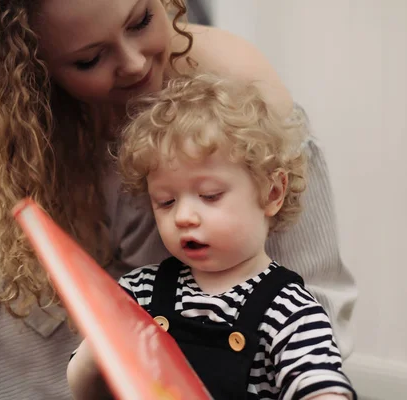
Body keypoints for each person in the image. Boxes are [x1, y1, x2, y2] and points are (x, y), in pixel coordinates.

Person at [0, 0, 356, 398]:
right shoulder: (38, 116)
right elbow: (22, 267)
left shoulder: (234, 88)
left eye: (142, 20)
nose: (132, 63)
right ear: (34, 67)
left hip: (168, 359)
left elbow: (309, 304)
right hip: (83, 330)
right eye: (88, 60)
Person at [68, 74, 356, 400]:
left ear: (272, 192)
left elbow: (319, 384)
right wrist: (96, 349)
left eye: (209, 195)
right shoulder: (138, 293)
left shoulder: (289, 308)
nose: (183, 217)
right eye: (166, 201)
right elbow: (85, 389)